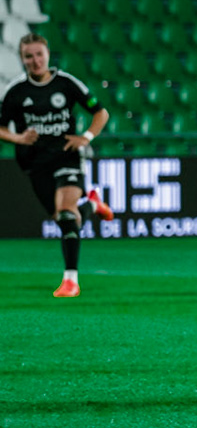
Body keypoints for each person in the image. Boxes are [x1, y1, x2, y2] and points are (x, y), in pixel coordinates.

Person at [1, 32, 116, 297]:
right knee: (62, 219)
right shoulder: (16, 92)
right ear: (22, 59)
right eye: (28, 56)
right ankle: (92, 205)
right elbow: (1, 127)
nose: (35, 60)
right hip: (35, 162)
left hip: (67, 155)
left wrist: (86, 137)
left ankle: (70, 280)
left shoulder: (65, 83)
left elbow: (101, 112)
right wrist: (18, 137)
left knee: (66, 214)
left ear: (47, 54)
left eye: (39, 54)